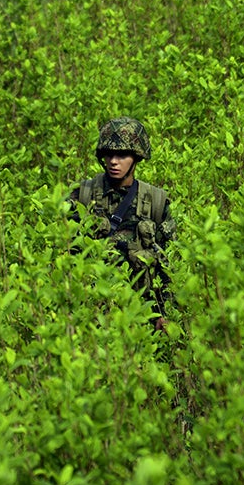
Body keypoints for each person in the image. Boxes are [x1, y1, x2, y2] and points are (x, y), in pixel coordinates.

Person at [68, 116, 176, 331]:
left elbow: (169, 264)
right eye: (109, 154)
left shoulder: (155, 201)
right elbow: (64, 255)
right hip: (92, 314)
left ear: (136, 157)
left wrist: (167, 314)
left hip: (143, 316)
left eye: (122, 154)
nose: (114, 161)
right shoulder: (83, 195)